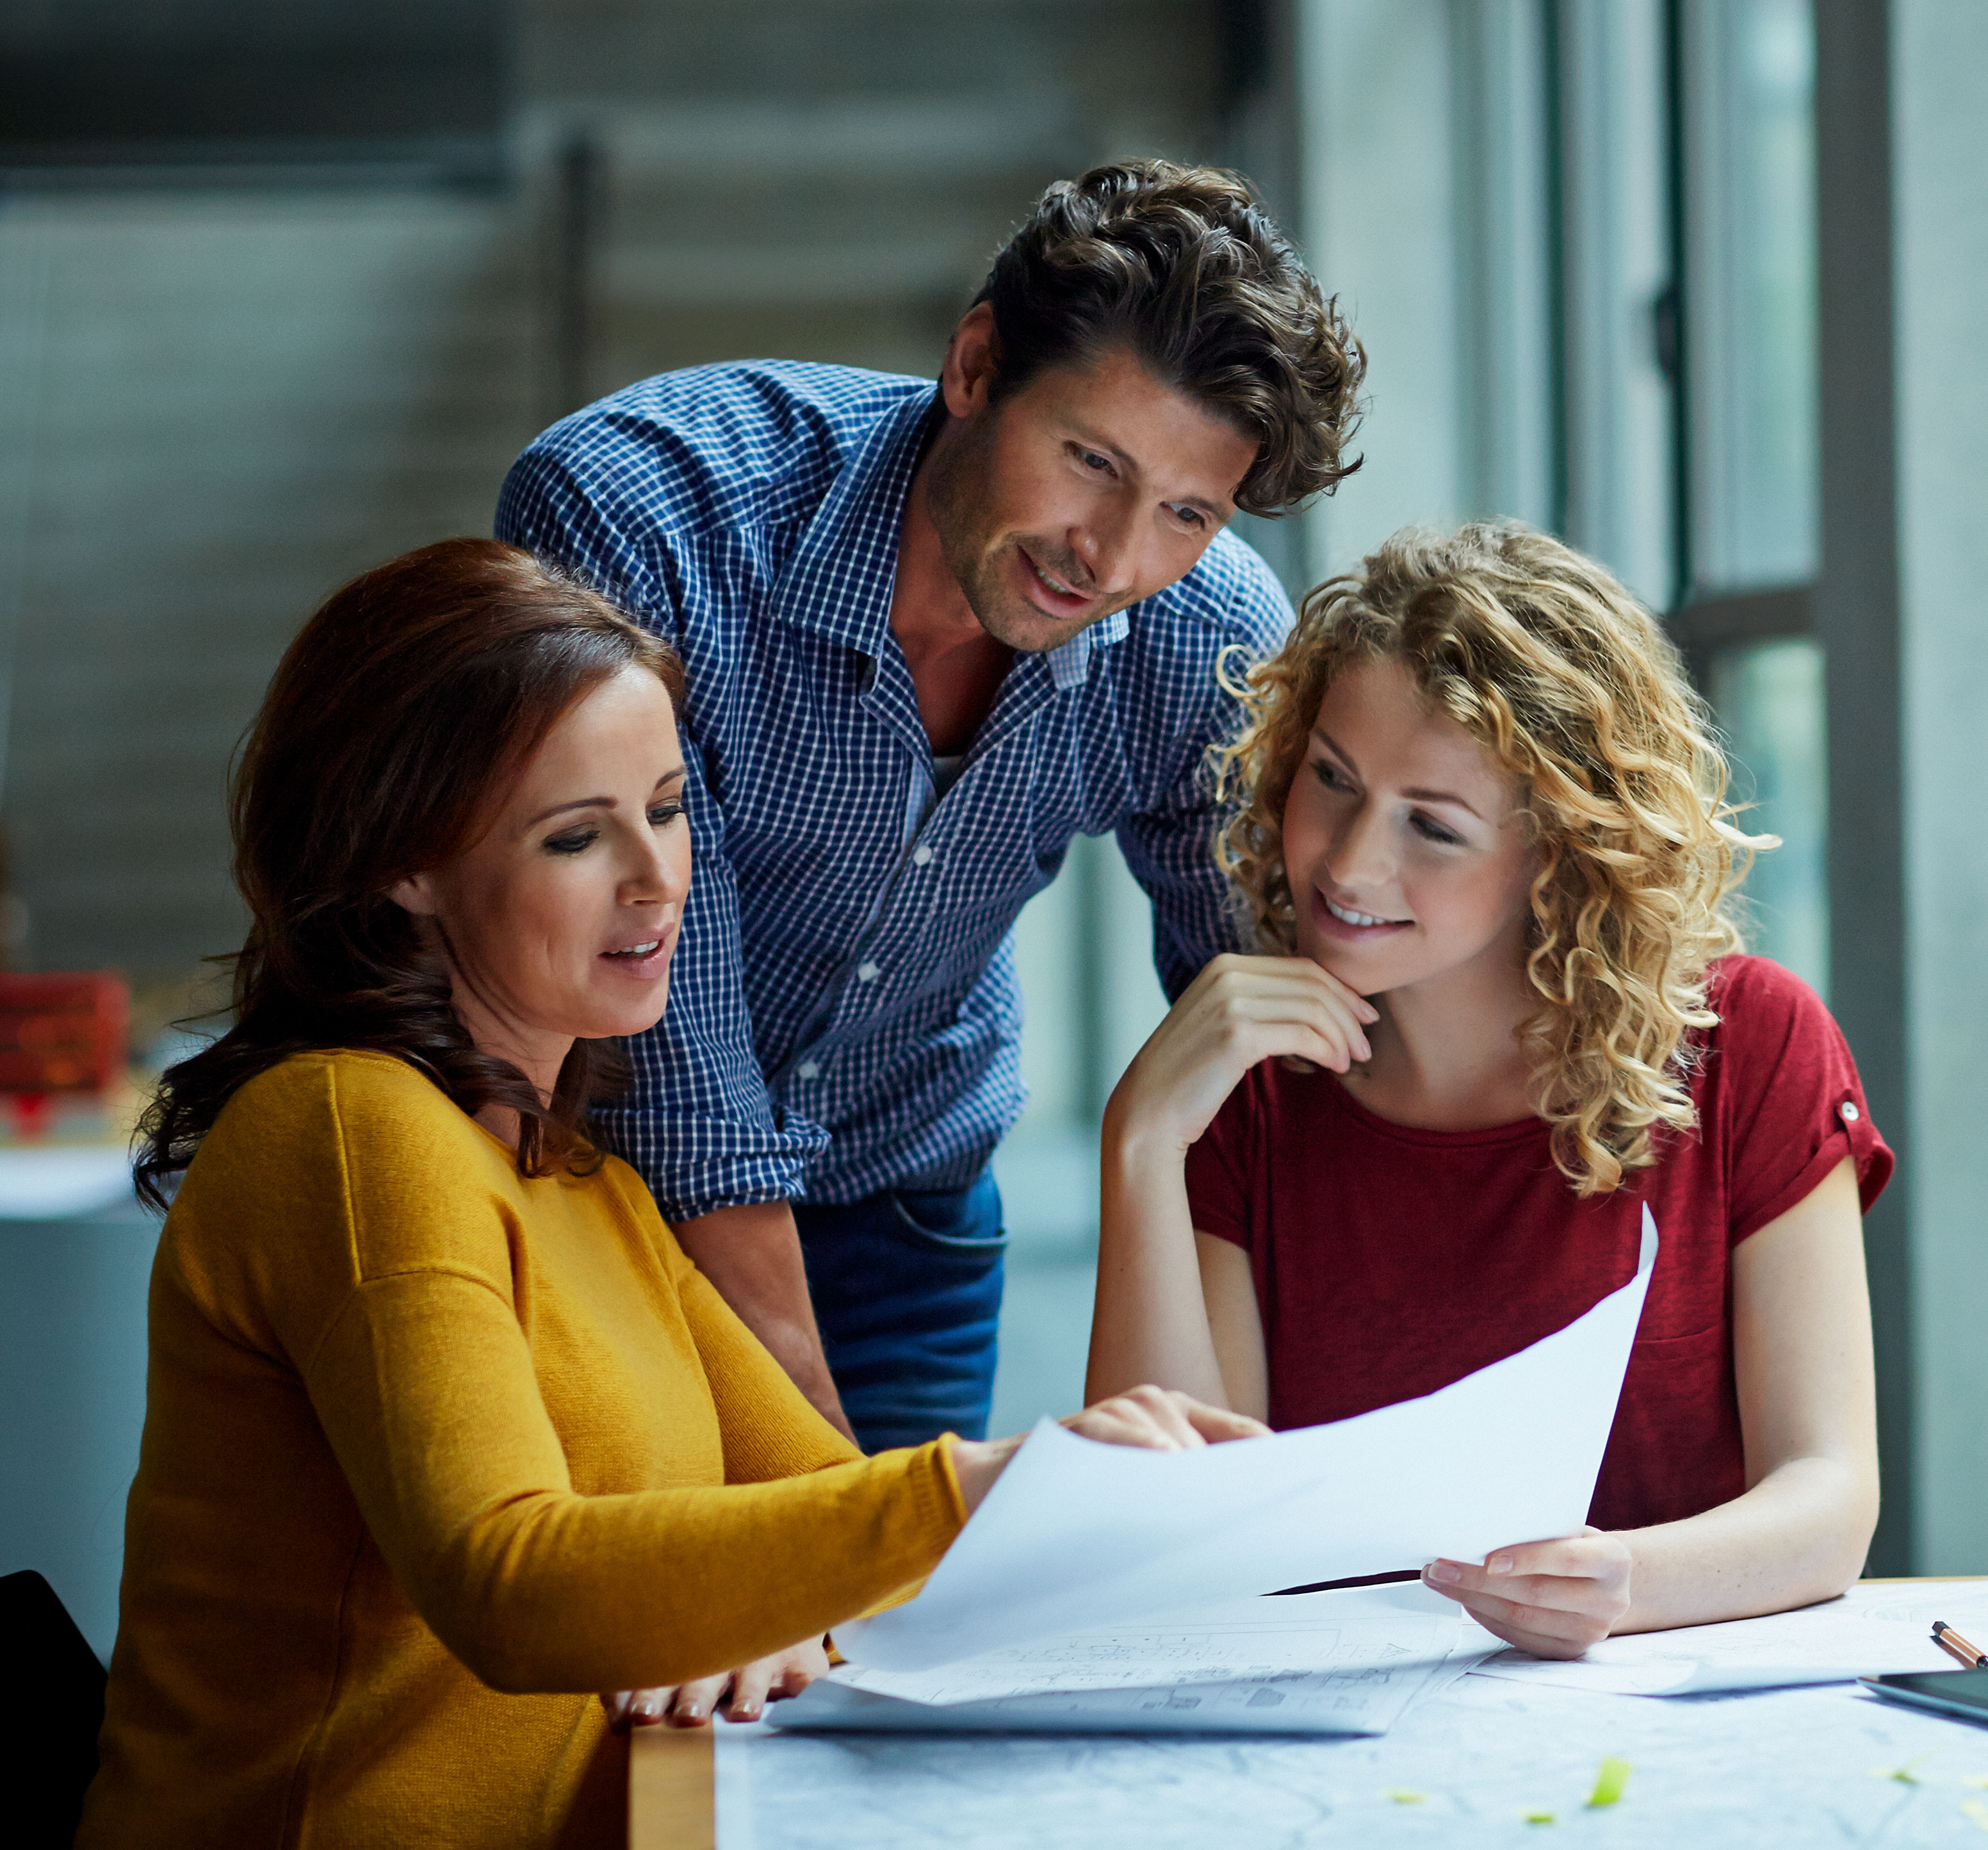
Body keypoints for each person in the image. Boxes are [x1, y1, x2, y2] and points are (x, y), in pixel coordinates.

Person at [79, 541, 1255, 1850]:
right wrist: (980, 1485)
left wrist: (786, 1609)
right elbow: (509, 1584)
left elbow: (818, 1513)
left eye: (670, 805)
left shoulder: (585, 1179)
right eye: (577, 835)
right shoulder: (355, 1130)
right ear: (399, 864)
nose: (656, 879)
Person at [494, 159, 1363, 1452]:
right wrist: (849, 1496)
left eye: (1186, 511)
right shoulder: (649, 515)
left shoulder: (1205, 629)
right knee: (659, 1631)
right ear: (973, 366)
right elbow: (668, 1040)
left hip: (906, 1202)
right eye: (1089, 461)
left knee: (899, 1648)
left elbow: (1275, 1009)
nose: (1114, 558)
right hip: (592, 1199)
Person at [1084, 521, 1889, 1660]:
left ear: (1559, 851)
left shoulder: (1750, 1042)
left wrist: (1626, 1580)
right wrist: (1143, 1137)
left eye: (1433, 824)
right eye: (1332, 778)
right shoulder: (1248, 1095)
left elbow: (1828, 1496)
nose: (1351, 863)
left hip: (1663, 1717)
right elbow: (1162, 1543)